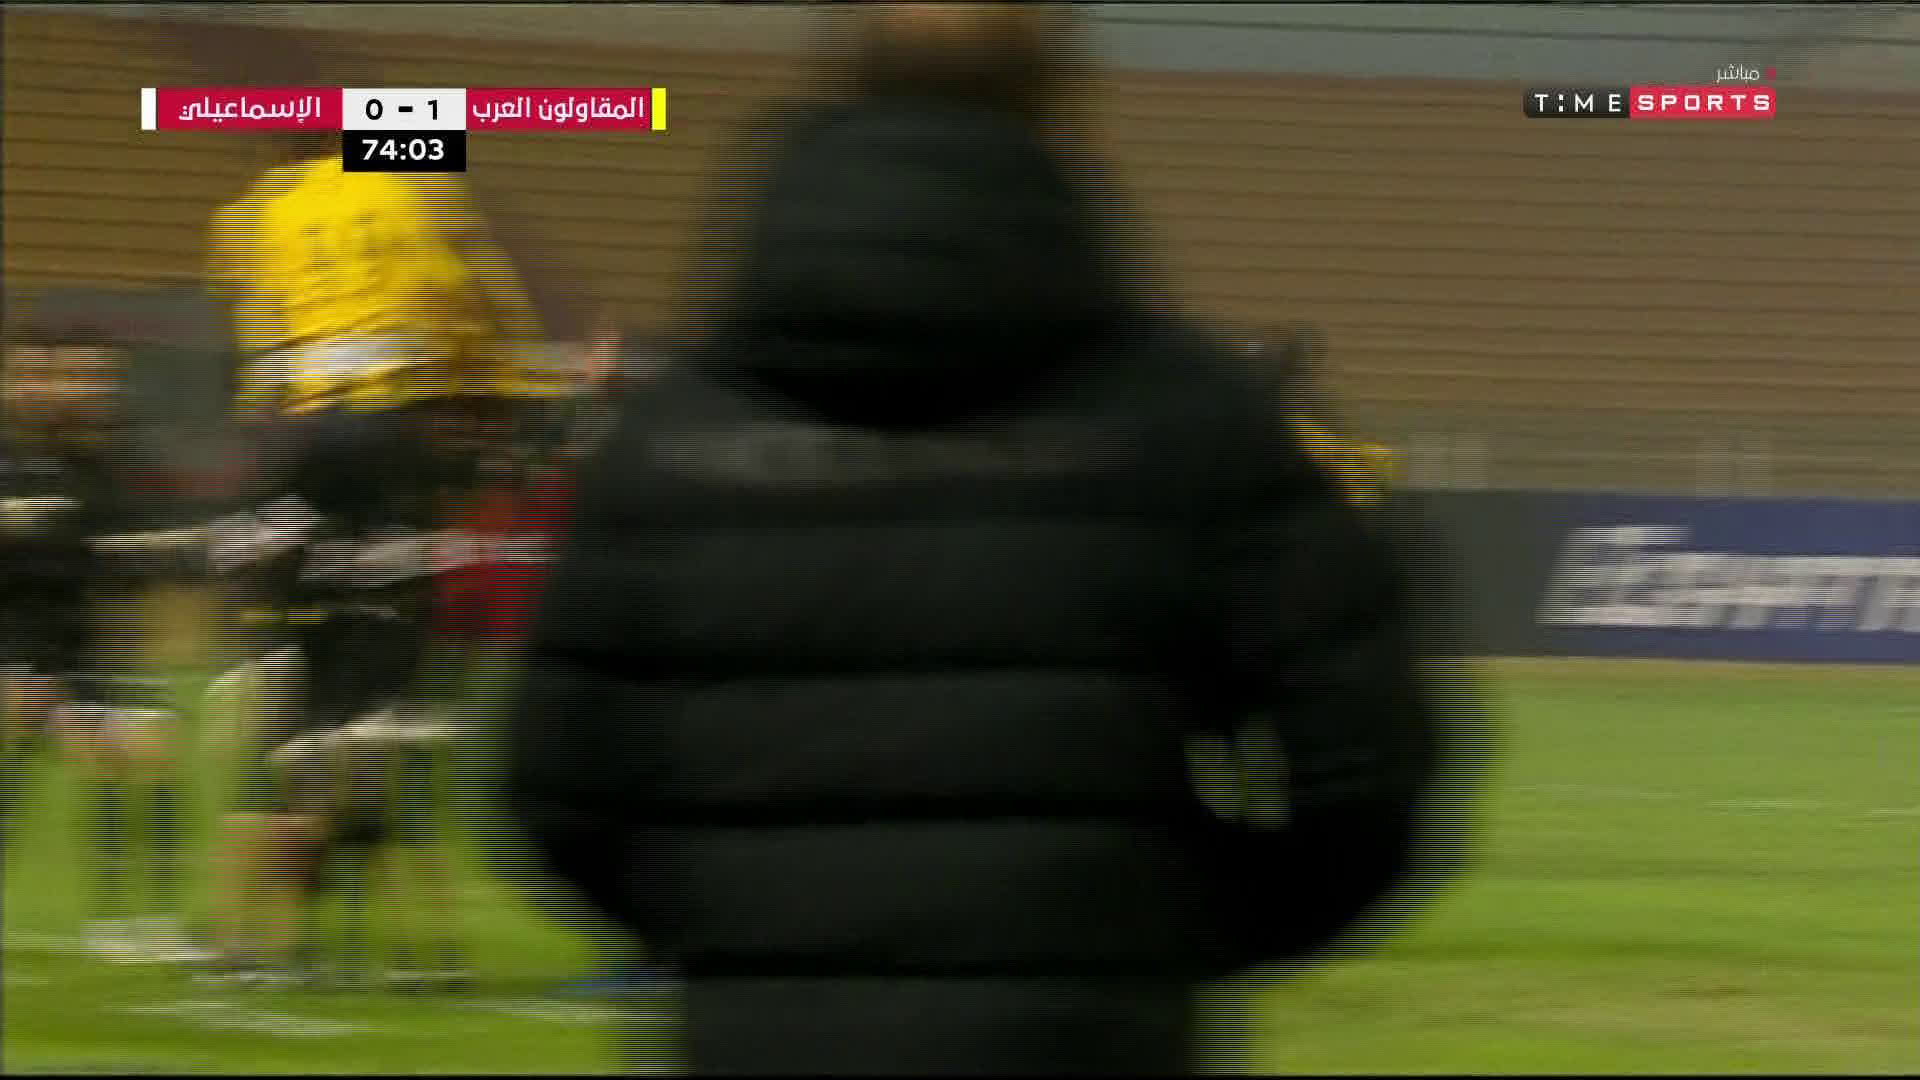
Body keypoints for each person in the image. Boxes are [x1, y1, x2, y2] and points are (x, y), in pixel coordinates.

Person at [508, 5, 1469, 1074]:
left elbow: (556, 786)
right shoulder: (1194, 421)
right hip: (1087, 1038)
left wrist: (739, 927)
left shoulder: (668, 440)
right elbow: (1365, 761)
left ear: (840, 87)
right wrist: (1172, 926)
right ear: (1060, 108)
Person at [199, 123, 549, 986]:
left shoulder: (260, 206)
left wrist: (265, 414)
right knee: (375, 687)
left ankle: (247, 941)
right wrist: (507, 382)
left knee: (302, 680)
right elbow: (463, 286)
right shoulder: (404, 180)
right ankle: (417, 948)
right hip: (386, 425)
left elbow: (255, 321)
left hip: (300, 436)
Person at [1, 324, 202, 963]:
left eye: (99, 375)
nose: (88, 387)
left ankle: (146, 918)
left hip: (77, 647)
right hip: (15, 650)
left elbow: (122, 552)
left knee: (148, 753)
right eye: (76, 373)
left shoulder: (97, 465)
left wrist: (165, 548)